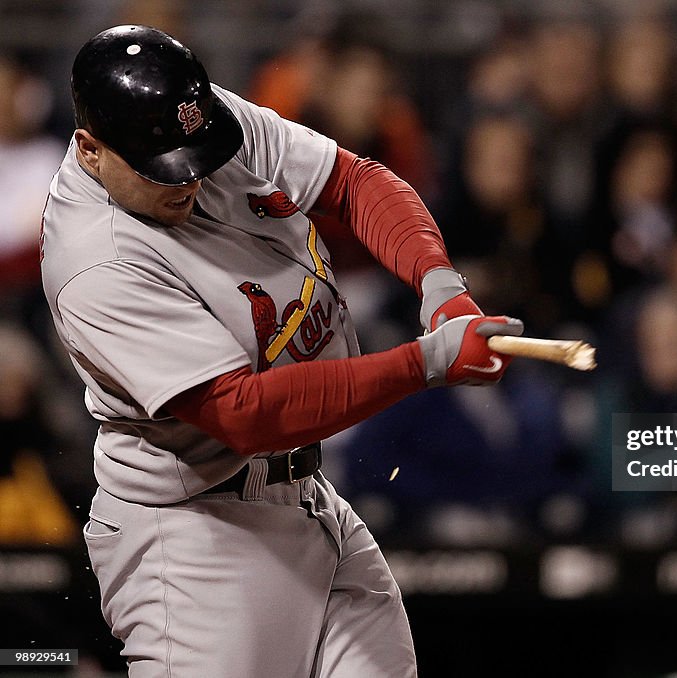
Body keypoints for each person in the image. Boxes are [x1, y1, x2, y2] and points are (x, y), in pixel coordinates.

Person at [41, 25, 523, 678]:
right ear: (91, 150)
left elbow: (355, 182)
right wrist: (426, 363)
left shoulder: (198, 120)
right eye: (163, 168)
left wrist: (441, 287)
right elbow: (243, 414)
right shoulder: (95, 262)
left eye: (196, 150)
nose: (188, 179)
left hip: (308, 498)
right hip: (196, 540)